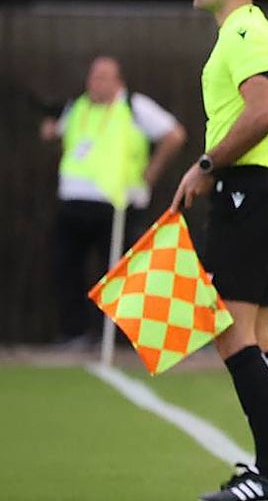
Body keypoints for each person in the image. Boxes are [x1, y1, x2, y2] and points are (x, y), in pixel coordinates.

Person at [172, 0, 268, 501]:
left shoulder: (245, 30)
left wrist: (206, 164)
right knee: (255, 335)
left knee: (229, 332)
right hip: (257, 192)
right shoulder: (241, 31)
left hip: (248, 193)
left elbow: (264, 111)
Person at [40, 55, 186, 348]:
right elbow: (58, 136)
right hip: (73, 201)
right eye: (93, 76)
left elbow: (174, 135)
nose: (96, 83)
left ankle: (118, 338)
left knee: (119, 272)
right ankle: (76, 333)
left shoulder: (134, 106)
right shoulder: (77, 107)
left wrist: (150, 175)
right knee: (66, 267)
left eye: (103, 77)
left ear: (119, 81)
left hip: (117, 204)